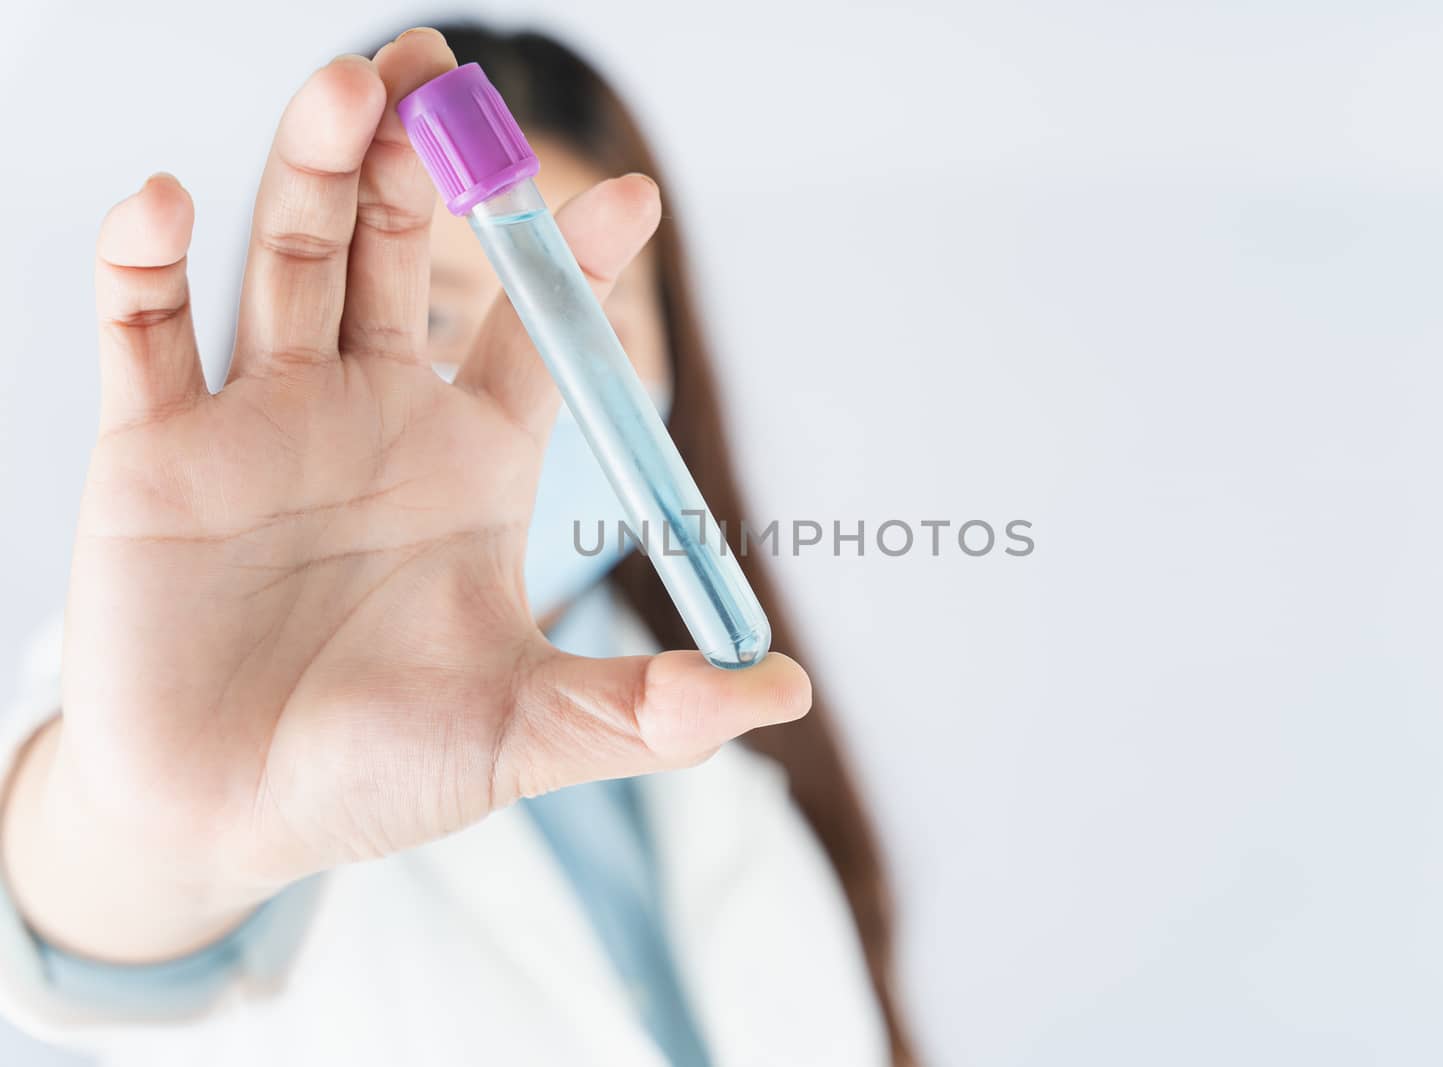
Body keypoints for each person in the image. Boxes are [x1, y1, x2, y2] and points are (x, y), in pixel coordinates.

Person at [0, 24, 914, 1067]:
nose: (531, 378)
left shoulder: (740, 763)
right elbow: (84, 905)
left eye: (592, 317)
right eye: (436, 314)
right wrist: (157, 840)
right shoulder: (194, 676)